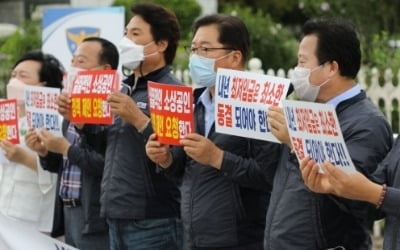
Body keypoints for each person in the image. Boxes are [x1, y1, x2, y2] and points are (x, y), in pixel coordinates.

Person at [146, 14, 282, 249]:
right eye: (194, 49)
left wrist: (218, 158)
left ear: (234, 57)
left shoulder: (261, 107)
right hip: (195, 234)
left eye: (206, 49)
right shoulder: (192, 103)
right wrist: (166, 159)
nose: (196, 57)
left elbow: (270, 177)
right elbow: (184, 170)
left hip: (241, 238)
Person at [265, 17, 393, 249]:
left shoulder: (367, 123)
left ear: (331, 68)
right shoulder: (305, 111)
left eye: (303, 63)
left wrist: (296, 143)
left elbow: (359, 200)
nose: (297, 71)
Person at [78, 3, 182, 250]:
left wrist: (137, 118)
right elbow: (108, 148)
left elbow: (176, 156)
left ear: (161, 44)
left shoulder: (173, 91)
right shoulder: (121, 87)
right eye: (126, 33)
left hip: (152, 219)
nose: (126, 40)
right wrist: (84, 126)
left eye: (136, 34)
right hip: (115, 212)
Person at [300, 133, 400, 250]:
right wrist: (338, 187)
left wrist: (376, 194)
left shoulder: (368, 123)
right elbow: (374, 204)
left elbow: (376, 192)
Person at [0, 50, 63, 233]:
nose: (15, 81)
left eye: (23, 76)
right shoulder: (4, 116)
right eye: (13, 75)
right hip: (4, 212)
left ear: (43, 85)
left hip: (33, 217)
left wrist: (23, 158)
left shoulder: (56, 122)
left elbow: (60, 170)